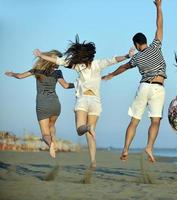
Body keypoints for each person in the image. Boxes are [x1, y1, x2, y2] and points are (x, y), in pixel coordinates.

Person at [34, 36, 134, 168]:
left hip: (83, 100)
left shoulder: (78, 66)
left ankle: (88, 127)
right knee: (91, 136)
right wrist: (127, 55)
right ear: (92, 54)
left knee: (80, 129)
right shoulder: (99, 63)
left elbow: (59, 60)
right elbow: (114, 60)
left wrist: (41, 55)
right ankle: (93, 161)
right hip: (96, 102)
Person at [102, 0, 166, 162]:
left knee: (134, 121)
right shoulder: (156, 46)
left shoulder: (137, 57)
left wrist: (110, 75)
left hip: (144, 87)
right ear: (145, 41)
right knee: (156, 121)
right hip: (158, 87)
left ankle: (125, 149)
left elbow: (123, 67)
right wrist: (158, 7)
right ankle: (149, 147)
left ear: (137, 45)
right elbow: (159, 26)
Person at [5, 50, 74, 158]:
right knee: (52, 125)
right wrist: (78, 84)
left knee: (45, 134)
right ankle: (54, 141)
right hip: (55, 104)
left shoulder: (36, 70)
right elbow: (65, 86)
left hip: (42, 105)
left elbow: (19, 76)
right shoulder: (58, 73)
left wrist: (12, 73)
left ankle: (50, 144)